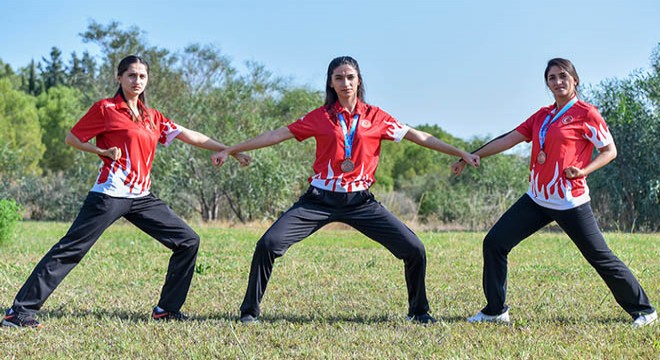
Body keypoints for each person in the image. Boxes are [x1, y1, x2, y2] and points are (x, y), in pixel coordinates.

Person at [212, 55, 480, 324]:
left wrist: (460, 152)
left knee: (414, 249)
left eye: (350, 77)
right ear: (330, 83)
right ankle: (249, 312)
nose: (345, 82)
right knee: (268, 244)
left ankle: (419, 312)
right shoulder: (319, 117)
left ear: (359, 80)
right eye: (338, 77)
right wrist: (232, 149)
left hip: (360, 202)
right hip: (319, 200)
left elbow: (419, 136)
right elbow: (275, 135)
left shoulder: (376, 117)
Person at [2, 55, 251, 328]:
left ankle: (166, 310)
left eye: (142, 76)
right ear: (119, 78)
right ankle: (20, 311)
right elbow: (72, 137)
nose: (137, 81)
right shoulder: (106, 109)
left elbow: (187, 134)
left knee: (188, 241)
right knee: (71, 249)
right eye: (131, 75)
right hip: (110, 194)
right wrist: (100, 151)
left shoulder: (151, 117)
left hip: (142, 197)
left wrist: (229, 150)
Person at [452, 58, 657, 327]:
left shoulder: (587, 113)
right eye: (552, 78)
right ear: (547, 83)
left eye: (563, 76)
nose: (558, 82)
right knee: (494, 243)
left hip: (570, 201)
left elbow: (609, 150)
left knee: (600, 257)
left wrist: (584, 171)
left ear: (575, 80)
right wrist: (471, 156)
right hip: (537, 199)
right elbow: (508, 139)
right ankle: (495, 311)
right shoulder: (542, 116)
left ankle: (644, 311)